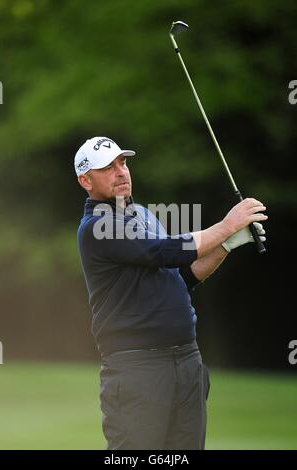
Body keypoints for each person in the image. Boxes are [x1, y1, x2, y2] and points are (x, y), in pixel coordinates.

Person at [75, 136, 267, 450]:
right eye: (107, 167)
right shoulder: (97, 226)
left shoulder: (142, 216)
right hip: (137, 368)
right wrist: (227, 225)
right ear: (86, 180)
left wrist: (226, 245)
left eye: (122, 162)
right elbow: (165, 251)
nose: (121, 171)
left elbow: (181, 277)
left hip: (186, 360)